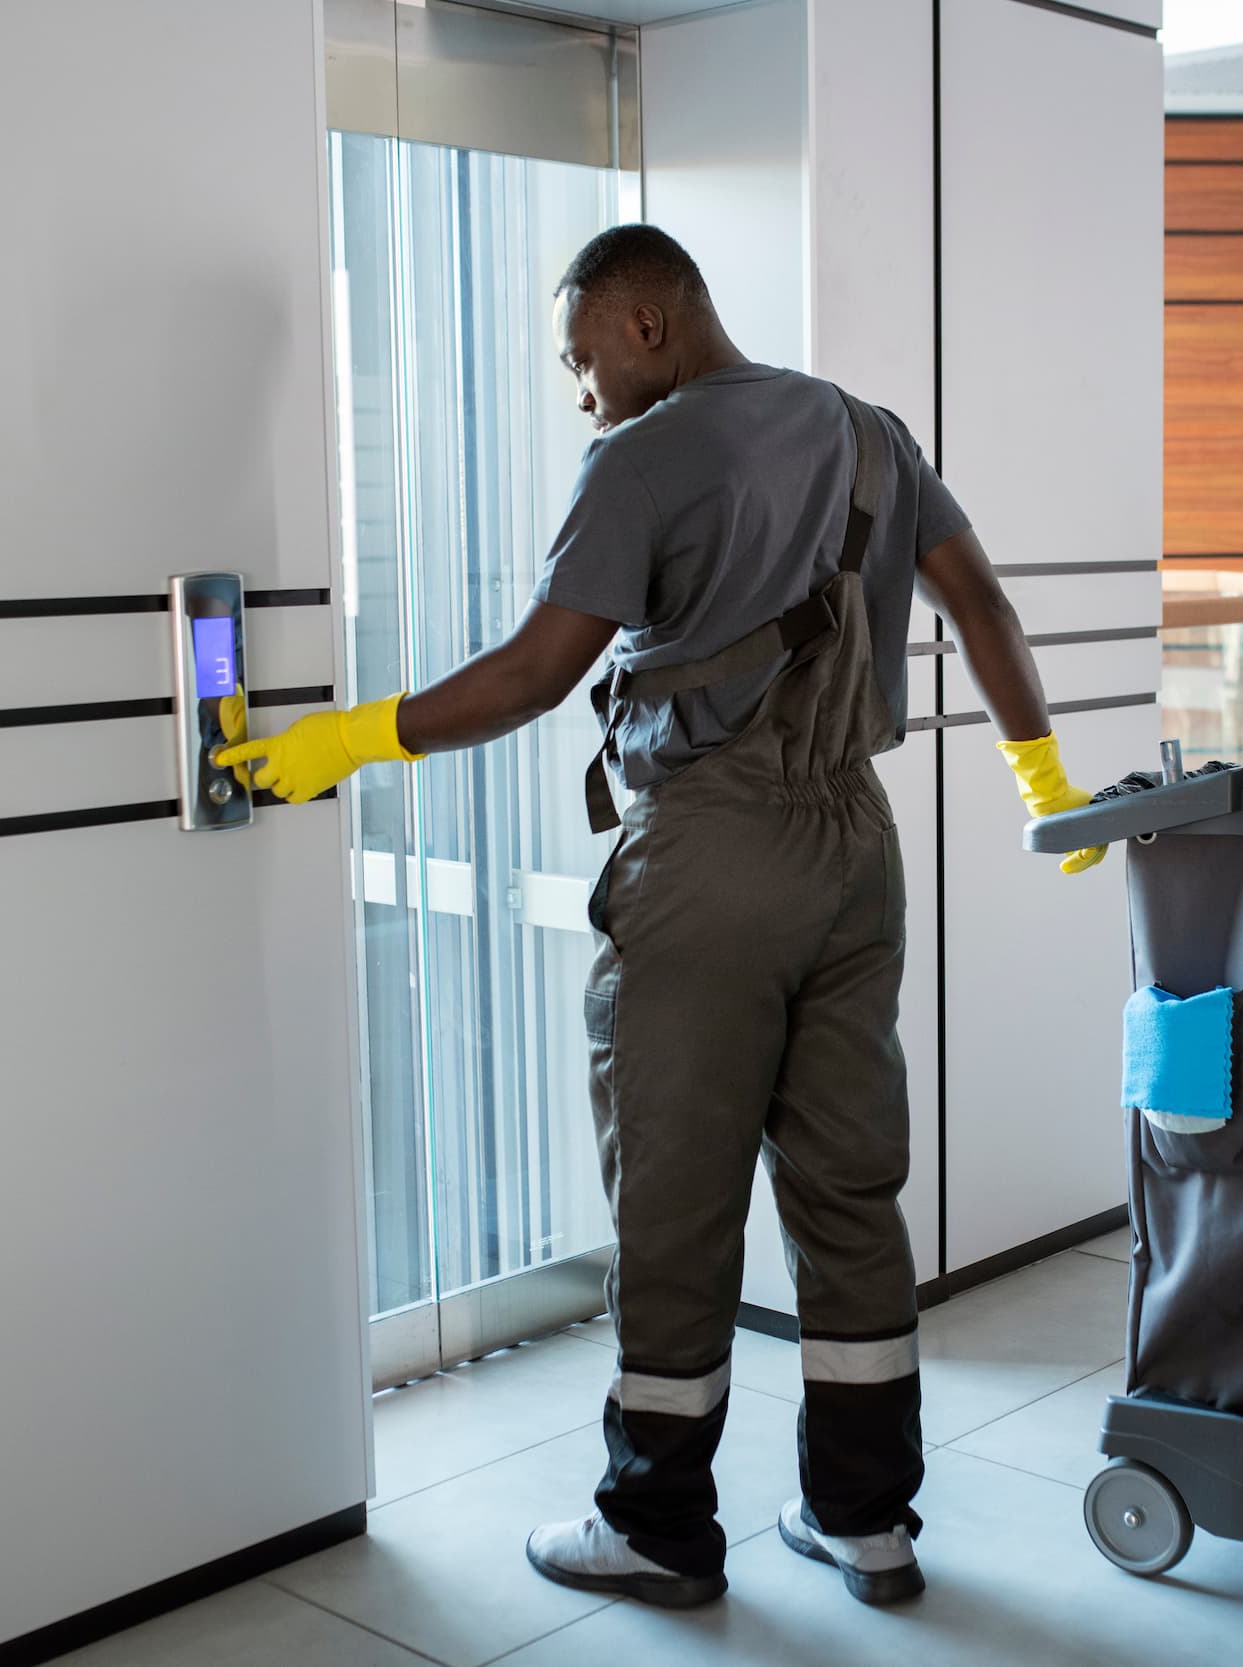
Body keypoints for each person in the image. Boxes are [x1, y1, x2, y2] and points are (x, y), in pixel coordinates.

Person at [220, 225, 1107, 1609]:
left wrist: (350, 742)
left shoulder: (638, 459)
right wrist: (1041, 776)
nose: (581, 392)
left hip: (712, 855)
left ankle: (655, 1526)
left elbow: (531, 674)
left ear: (647, 325)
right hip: (857, 854)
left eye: (581, 358)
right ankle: (867, 1520)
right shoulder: (872, 435)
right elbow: (977, 602)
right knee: (849, 1189)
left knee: (676, 1201)